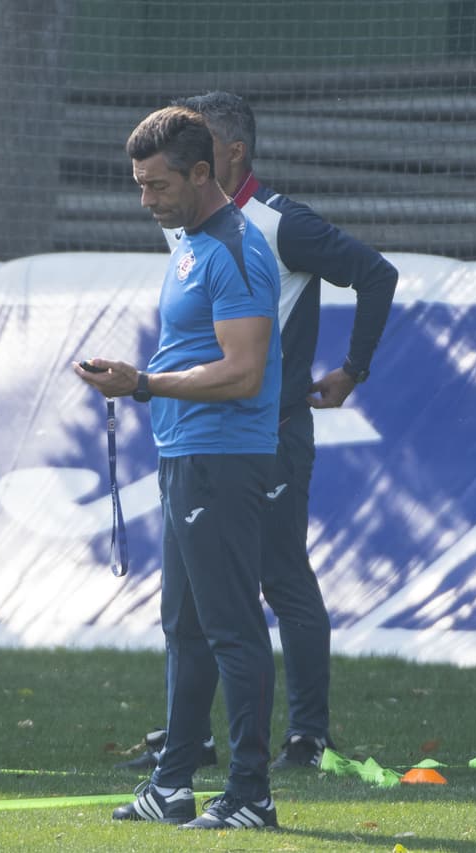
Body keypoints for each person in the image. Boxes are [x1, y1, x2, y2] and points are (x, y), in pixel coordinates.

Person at [117, 91, 398, 773]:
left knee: (277, 579)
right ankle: (194, 741)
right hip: (205, 437)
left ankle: (305, 736)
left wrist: (351, 369)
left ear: (228, 154)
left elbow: (375, 272)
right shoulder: (194, 229)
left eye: (197, 142)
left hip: (268, 432)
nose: (159, 188)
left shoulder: (274, 225)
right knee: (192, 601)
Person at [77, 106, 282, 830]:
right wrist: (142, 382)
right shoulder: (191, 241)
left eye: (158, 185)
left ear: (203, 173)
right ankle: (172, 785)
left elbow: (244, 371)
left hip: (222, 458)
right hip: (186, 453)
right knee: (184, 627)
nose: (146, 200)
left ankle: (252, 793)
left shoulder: (235, 247)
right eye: (139, 185)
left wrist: (143, 383)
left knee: (230, 629)